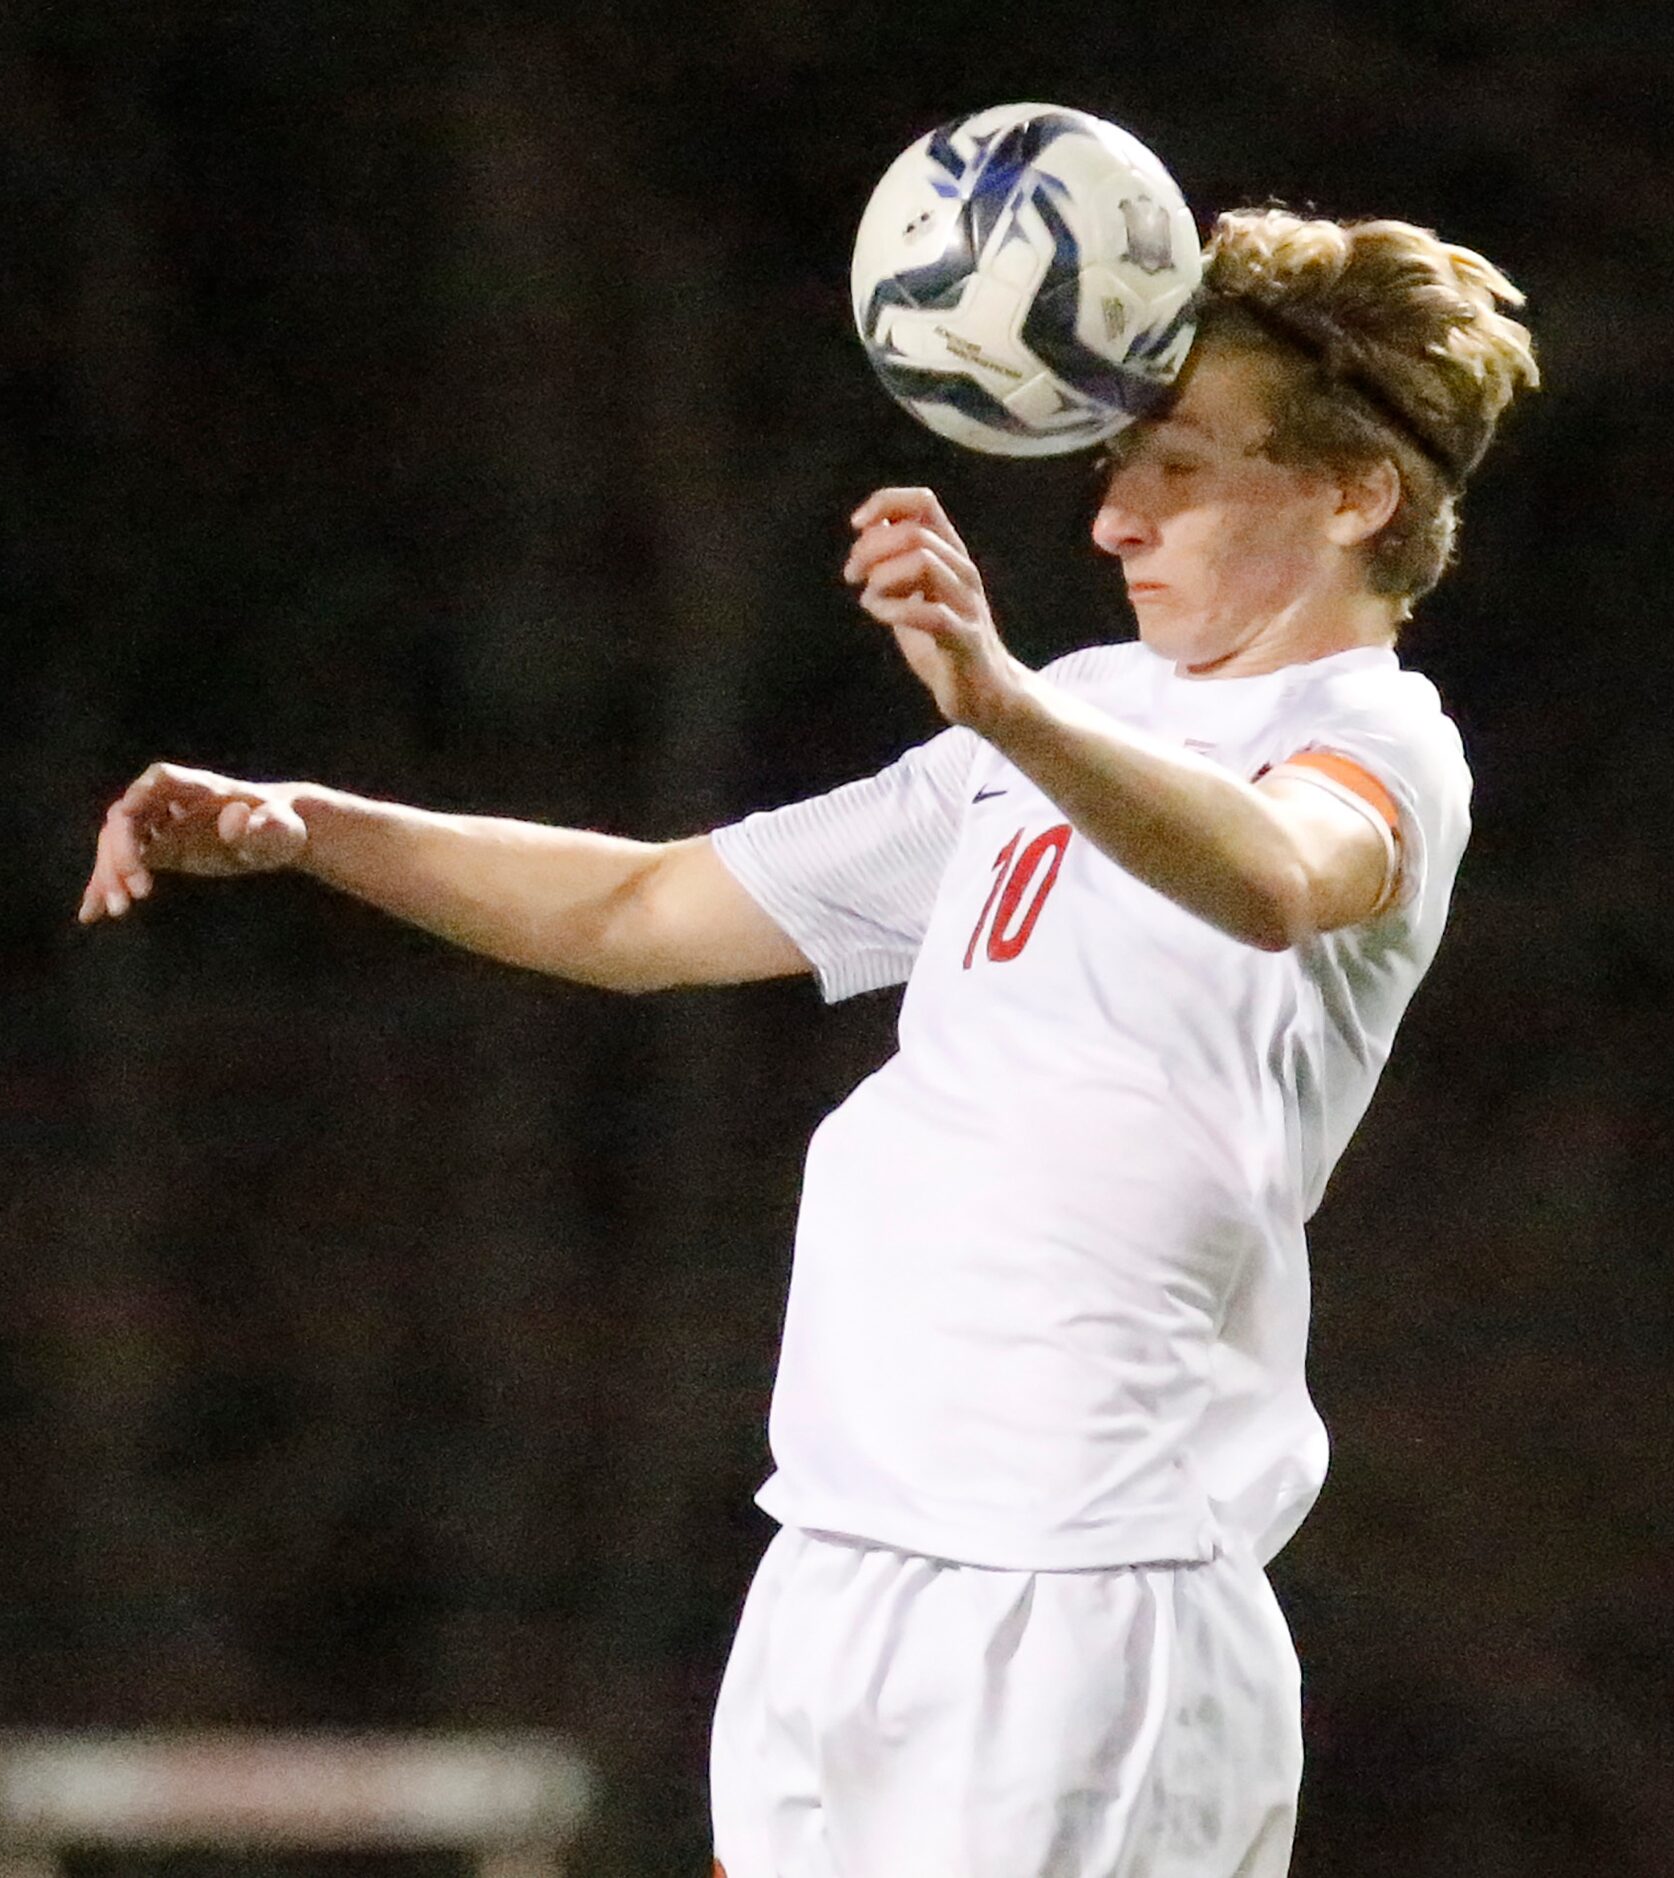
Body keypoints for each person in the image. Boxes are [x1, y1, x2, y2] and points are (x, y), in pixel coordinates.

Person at [78, 207, 1538, 1878]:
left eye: (1180, 470)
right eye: (1120, 459)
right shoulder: (1074, 714)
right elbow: (640, 910)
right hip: (842, 1554)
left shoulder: (1367, 740)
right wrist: (307, 827)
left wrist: (1001, 700)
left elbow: (1277, 872)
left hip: (1078, 1585)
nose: (1113, 513)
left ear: (1358, 494)